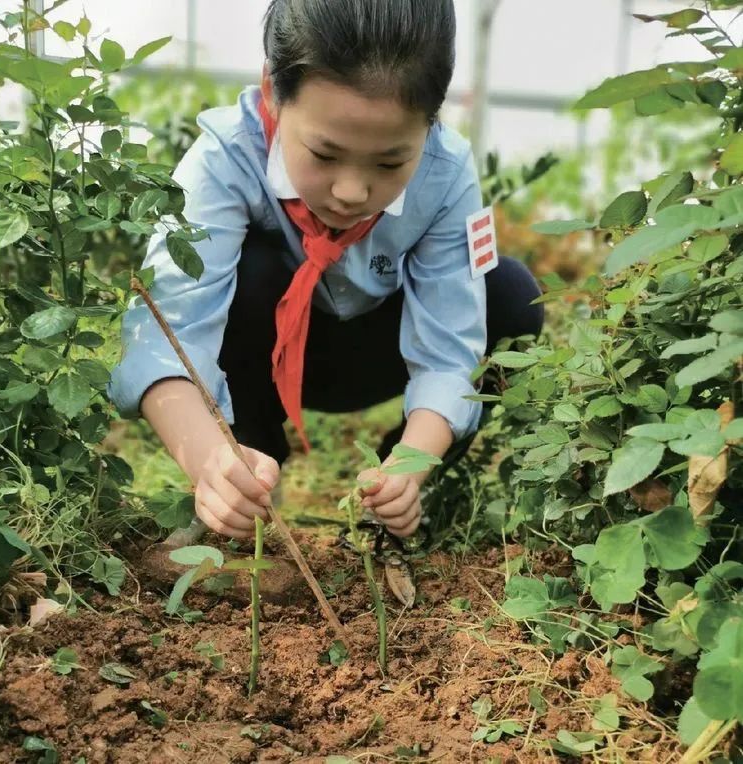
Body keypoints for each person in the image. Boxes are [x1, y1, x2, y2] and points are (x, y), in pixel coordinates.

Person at [108, 0, 544, 543]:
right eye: (324, 153)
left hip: (375, 353)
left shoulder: (447, 172)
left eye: (390, 163)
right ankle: (247, 475)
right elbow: (168, 332)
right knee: (254, 268)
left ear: (431, 121)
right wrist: (209, 461)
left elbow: (450, 351)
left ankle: (389, 502)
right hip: (260, 359)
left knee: (509, 294)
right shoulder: (226, 156)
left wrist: (410, 466)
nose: (351, 192)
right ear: (272, 90)